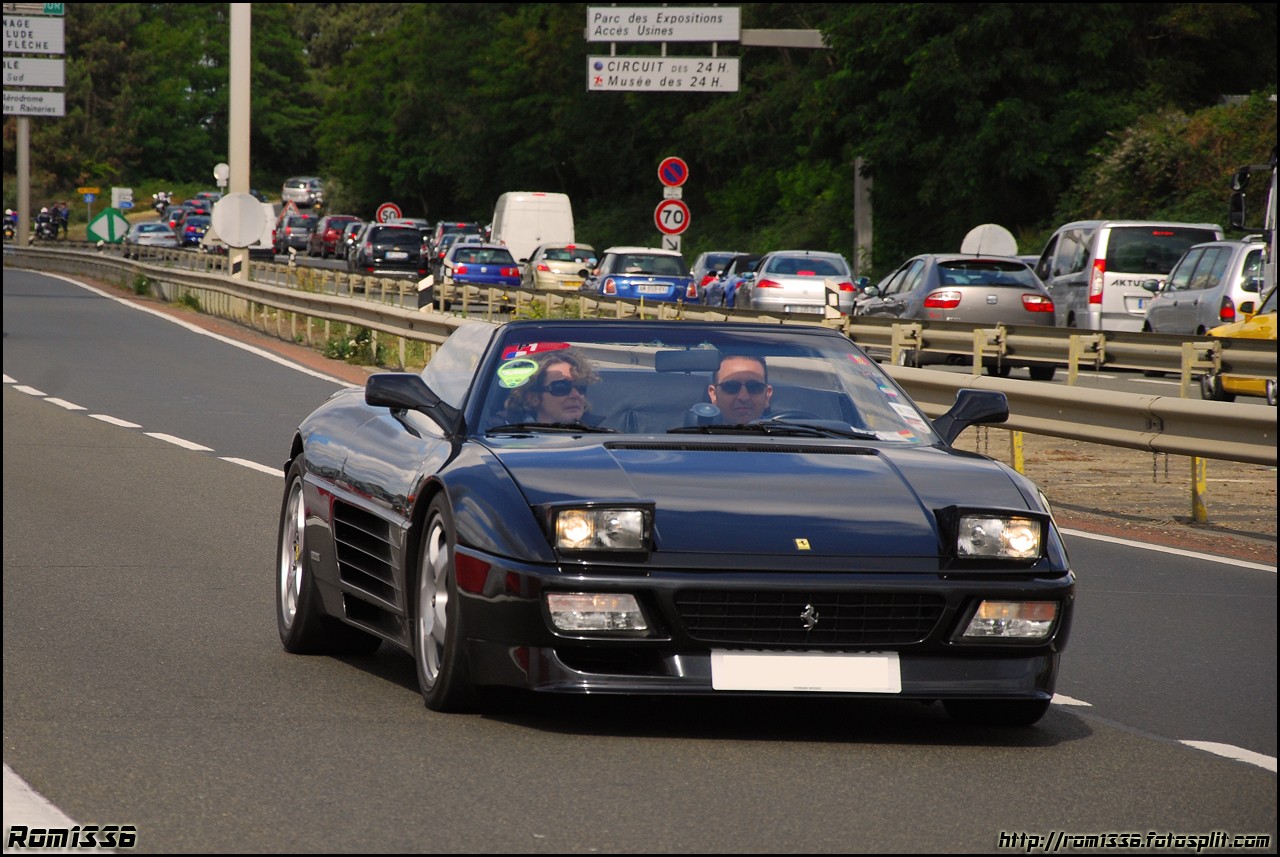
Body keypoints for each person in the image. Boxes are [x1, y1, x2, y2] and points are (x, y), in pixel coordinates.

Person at [499, 348, 600, 425]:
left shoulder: (604, 435)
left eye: (580, 387)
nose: (575, 395)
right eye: (561, 387)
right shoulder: (501, 438)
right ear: (533, 398)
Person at [708, 354, 773, 423]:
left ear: (767, 395)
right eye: (731, 386)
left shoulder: (784, 432)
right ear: (714, 395)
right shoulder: (697, 432)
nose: (743, 397)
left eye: (754, 387)